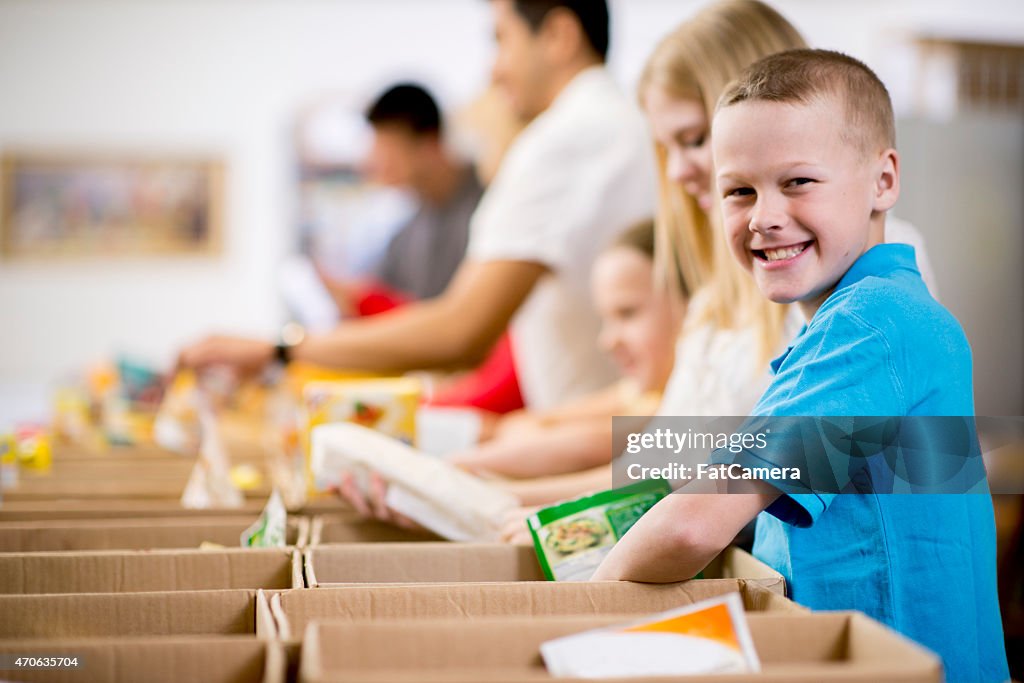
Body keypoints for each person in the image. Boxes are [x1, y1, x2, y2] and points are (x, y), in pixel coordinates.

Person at [592, 48, 1009, 683]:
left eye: (798, 182)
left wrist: (584, 604)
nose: (763, 216)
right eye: (739, 191)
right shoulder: (853, 324)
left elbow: (697, 522)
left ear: (884, 180)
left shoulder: (872, 327)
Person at [178, 0, 656, 413]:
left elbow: (460, 332)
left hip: (603, 441)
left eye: (501, 39)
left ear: (558, 35)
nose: (494, 68)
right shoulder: (623, 126)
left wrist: (277, 349)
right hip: (617, 431)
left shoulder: (561, 140)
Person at [452, 219, 684, 479]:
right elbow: (520, 425)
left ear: (693, 303)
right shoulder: (638, 393)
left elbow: (583, 447)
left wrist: (451, 469)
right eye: (607, 319)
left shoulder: (679, 404)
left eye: (627, 313)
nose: (608, 341)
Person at [320, 83, 482, 311]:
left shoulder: (490, 208)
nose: (376, 160)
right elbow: (377, 290)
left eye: (388, 147)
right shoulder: (409, 232)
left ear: (429, 144)